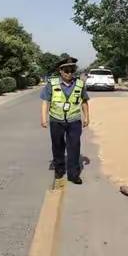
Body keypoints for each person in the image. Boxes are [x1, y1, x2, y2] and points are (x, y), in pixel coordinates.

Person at [40, 57, 90, 186]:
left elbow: (84, 101)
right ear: (60, 71)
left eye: (72, 70)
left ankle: (74, 174)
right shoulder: (52, 84)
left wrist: (87, 117)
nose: (69, 73)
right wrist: (43, 118)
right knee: (58, 146)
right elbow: (46, 101)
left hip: (74, 121)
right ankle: (59, 169)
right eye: (66, 70)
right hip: (56, 120)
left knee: (74, 147)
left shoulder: (80, 84)